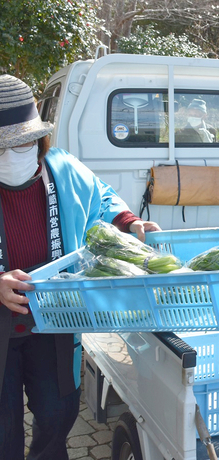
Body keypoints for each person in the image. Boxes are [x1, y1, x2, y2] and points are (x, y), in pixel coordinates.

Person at [0, 74, 161, 460]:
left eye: (21, 143)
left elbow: (101, 197)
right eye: (1, 146)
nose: (12, 154)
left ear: (39, 140)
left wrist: (129, 222)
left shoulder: (62, 169)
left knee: (58, 414)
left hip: (53, 318)